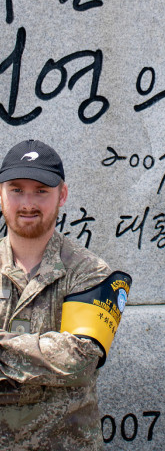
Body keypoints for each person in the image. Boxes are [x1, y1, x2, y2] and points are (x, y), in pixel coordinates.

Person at [0, 139, 126, 450]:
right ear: (1, 194)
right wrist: (44, 352)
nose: (28, 203)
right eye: (16, 189)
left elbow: (79, 360)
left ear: (62, 195)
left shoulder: (92, 272)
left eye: (41, 191)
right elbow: (60, 356)